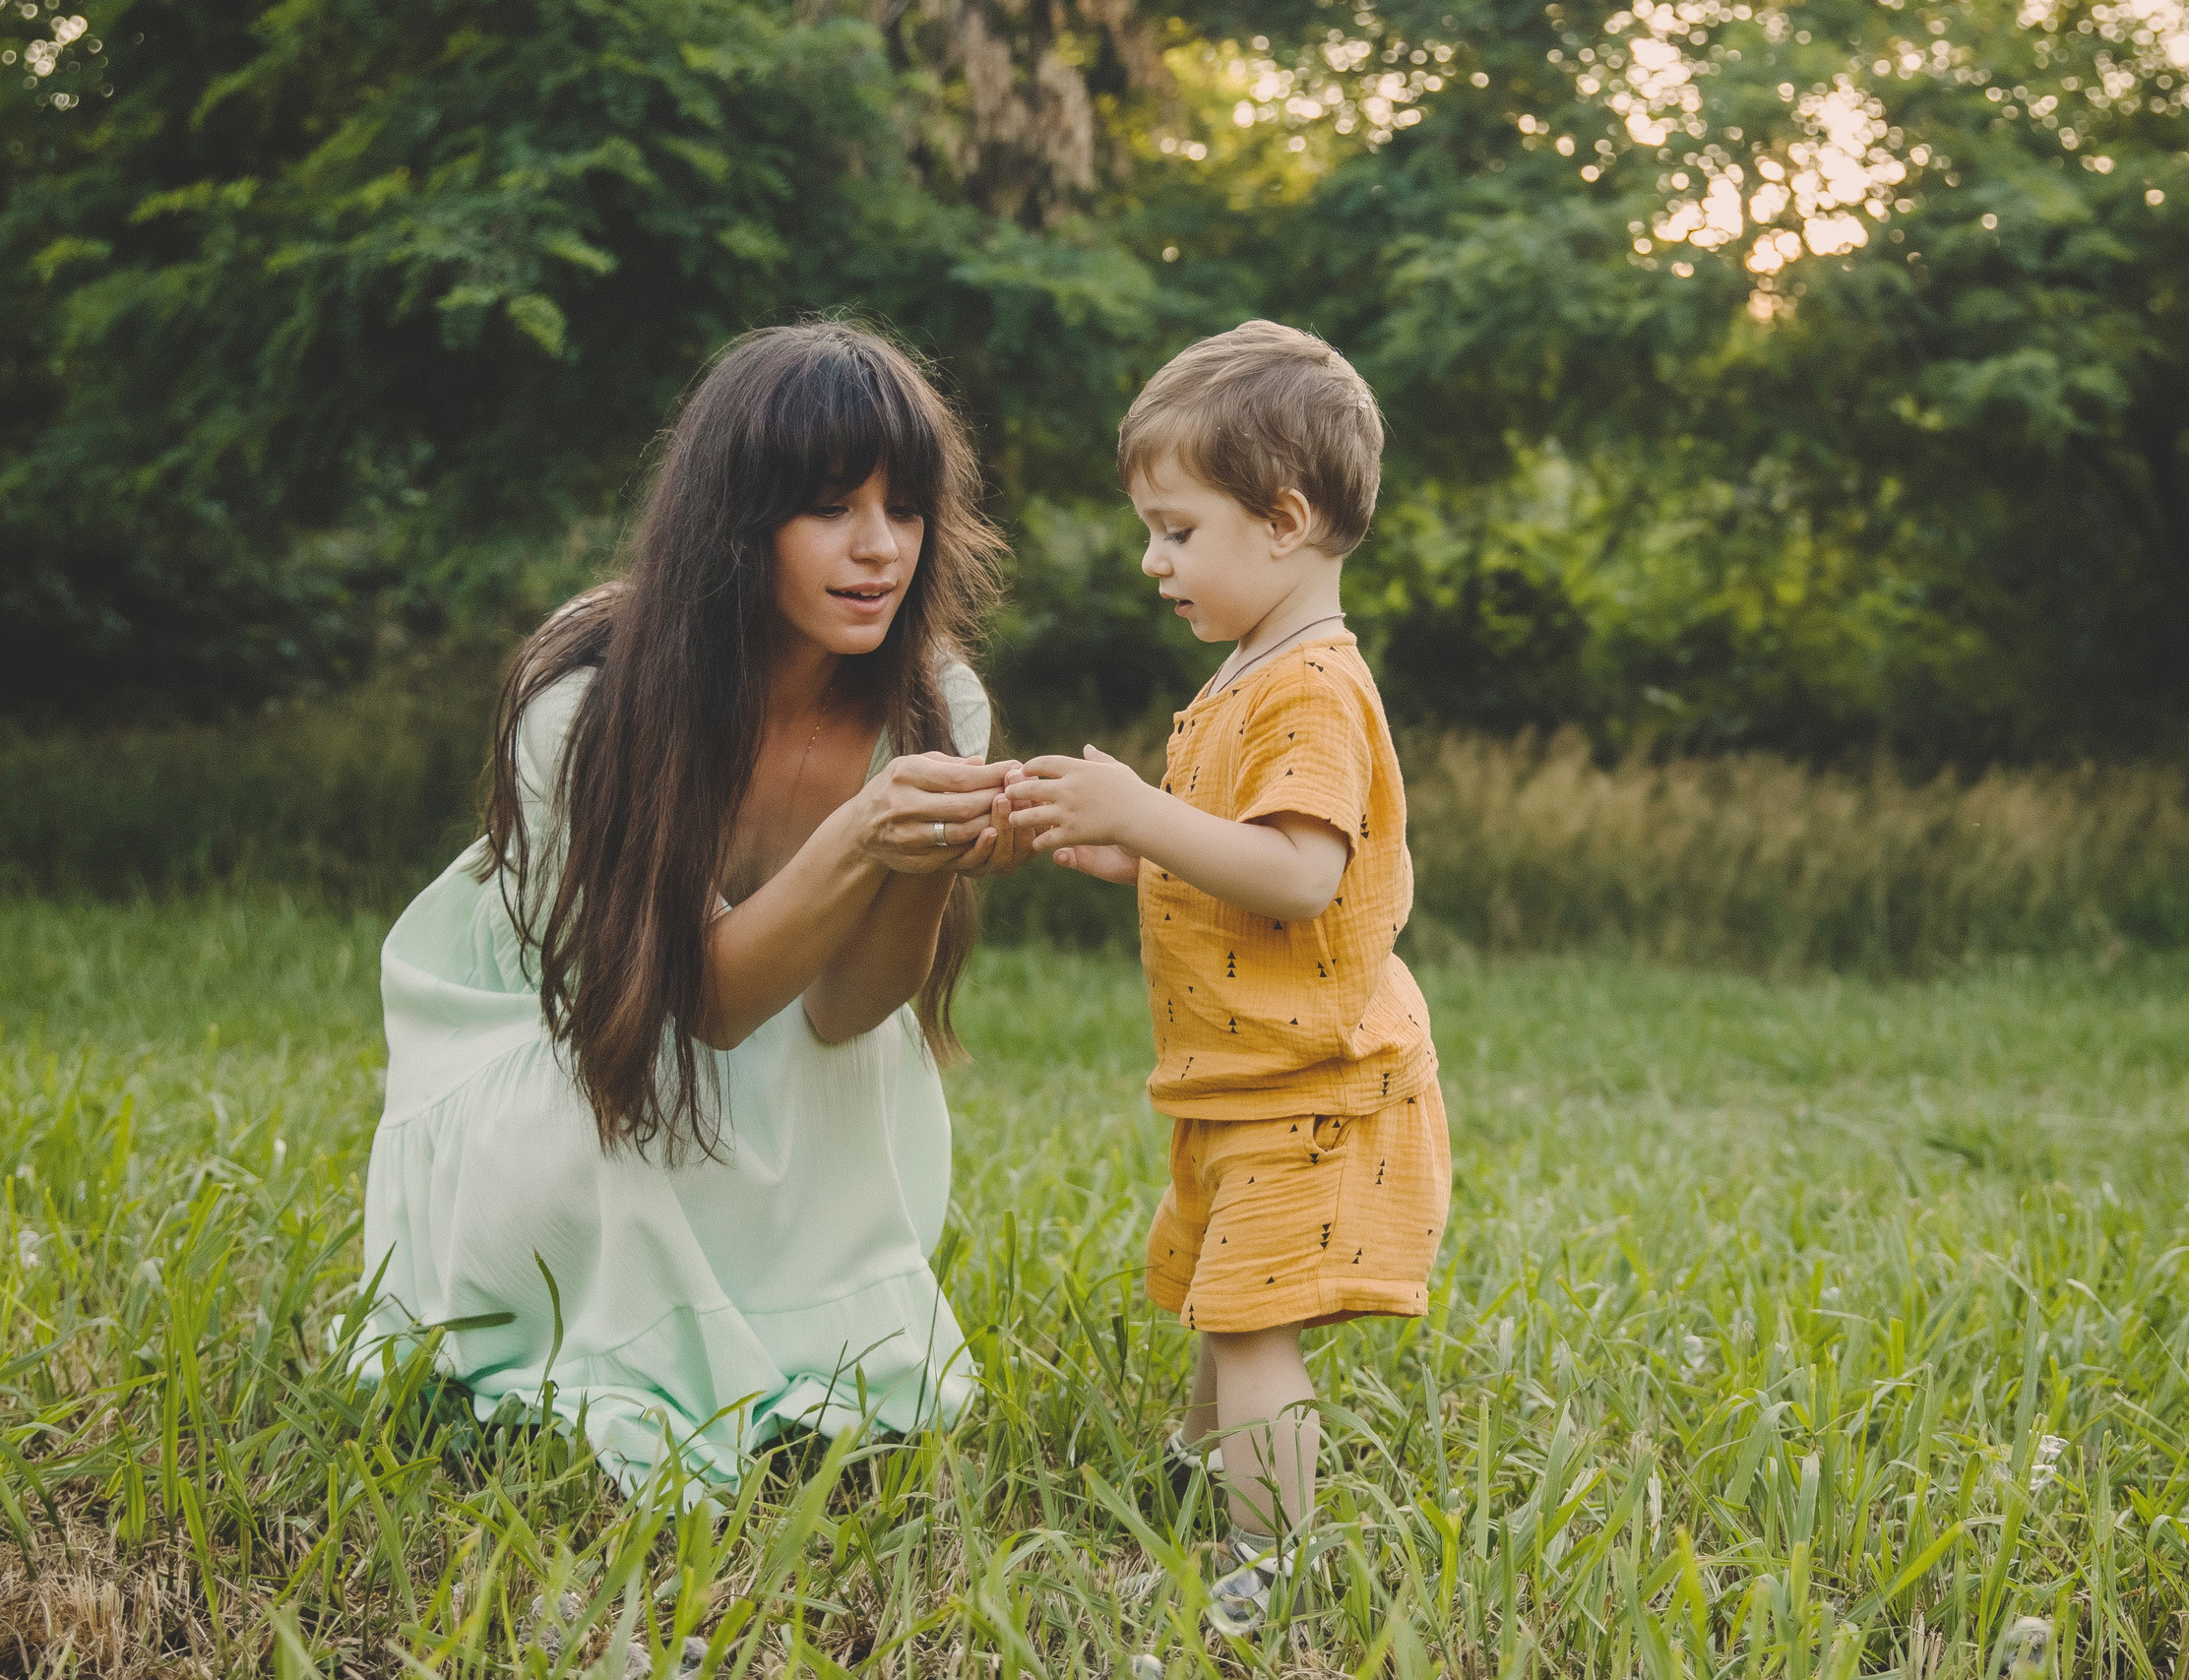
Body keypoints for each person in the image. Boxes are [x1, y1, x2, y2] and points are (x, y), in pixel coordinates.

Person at [352, 322, 1030, 1495]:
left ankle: (788, 1320)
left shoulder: (932, 704)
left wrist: (930, 860)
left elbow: (848, 1013)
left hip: (758, 1057)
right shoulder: (586, 707)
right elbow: (695, 1010)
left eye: (905, 509)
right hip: (556, 1063)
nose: (880, 550)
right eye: (829, 508)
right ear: (736, 522)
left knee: (856, 1065)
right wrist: (865, 834)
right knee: (649, 1090)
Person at [1003, 321, 1450, 1638]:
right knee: (1221, 1302)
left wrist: (1141, 810)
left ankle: (1275, 1563)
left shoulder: (1309, 688)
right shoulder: (1249, 675)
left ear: (1285, 518)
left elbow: (1305, 875)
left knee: (1253, 1327)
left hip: (1312, 1084)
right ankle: (1196, 1493)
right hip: (1244, 1077)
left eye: (1177, 528)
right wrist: (1130, 848)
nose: (1154, 558)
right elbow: (1242, 866)